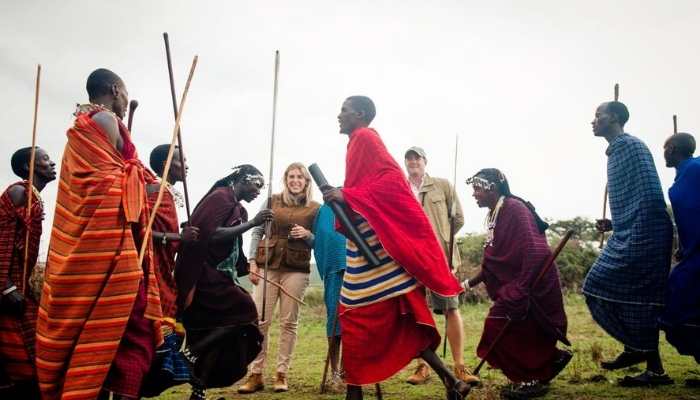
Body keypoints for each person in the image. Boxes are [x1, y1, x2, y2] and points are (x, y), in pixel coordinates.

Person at [322, 95, 476, 400]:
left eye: (344, 110)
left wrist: (347, 195)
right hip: (363, 243)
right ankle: (450, 380)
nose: (339, 115)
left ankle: (355, 394)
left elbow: (390, 181)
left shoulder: (365, 137)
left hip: (376, 249)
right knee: (393, 318)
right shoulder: (354, 141)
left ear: (360, 114)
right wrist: (345, 196)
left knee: (352, 317)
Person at [35, 69, 164, 400]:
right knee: (132, 328)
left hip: (89, 242)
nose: (123, 104)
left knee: (106, 331)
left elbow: (108, 174)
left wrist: (132, 172)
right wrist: (146, 183)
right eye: (123, 94)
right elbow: (108, 185)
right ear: (114, 89)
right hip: (109, 248)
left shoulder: (82, 124)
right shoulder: (104, 120)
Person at [583, 101, 673, 386]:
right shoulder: (615, 152)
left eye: (599, 115)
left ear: (616, 118)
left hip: (645, 234)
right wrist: (615, 223)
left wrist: (633, 230)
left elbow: (650, 196)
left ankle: (641, 352)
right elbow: (634, 197)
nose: (593, 120)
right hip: (629, 231)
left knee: (599, 286)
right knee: (634, 300)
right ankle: (650, 364)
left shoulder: (632, 146)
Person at [462, 168, 571, 399]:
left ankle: (532, 379)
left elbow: (535, 249)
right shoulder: (495, 214)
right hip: (521, 285)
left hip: (534, 283)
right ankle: (550, 363)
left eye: (477, 189)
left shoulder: (514, 208)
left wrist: (521, 287)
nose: (474, 194)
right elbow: (493, 263)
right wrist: (465, 286)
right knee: (524, 332)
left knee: (498, 325)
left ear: (493, 187)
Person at [175, 165, 270, 400]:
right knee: (245, 311)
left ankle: (199, 389)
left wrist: (243, 265)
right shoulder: (220, 198)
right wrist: (252, 223)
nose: (259, 191)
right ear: (243, 179)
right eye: (257, 184)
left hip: (220, 276)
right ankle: (189, 353)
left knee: (222, 338)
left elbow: (228, 244)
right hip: (205, 277)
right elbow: (211, 234)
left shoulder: (233, 204)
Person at [238, 162, 320, 394]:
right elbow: (256, 230)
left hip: (296, 269)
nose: (295, 180)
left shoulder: (315, 208)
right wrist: (252, 261)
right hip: (267, 266)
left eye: (300, 177)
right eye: (291, 176)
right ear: (286, 179)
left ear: (306, 182)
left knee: (289, 322)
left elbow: (320, 241)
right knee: (261, 321)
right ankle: (255, 374)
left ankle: (281, 373)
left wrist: (308, 235)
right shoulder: (272, 201)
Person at [403, 146, 471, 384]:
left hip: (442, 259)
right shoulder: (400, 188)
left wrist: (441, 239)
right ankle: (422, 367)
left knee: (451, 308)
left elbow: (458, 219)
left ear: (425, 161)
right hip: (411, 261)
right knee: (418, 312)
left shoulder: (442, 185)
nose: (413, 161)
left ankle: (460, 366)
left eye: (417, 157)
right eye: (409, 158)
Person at [140, 144, 199, 397]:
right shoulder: (154, 190)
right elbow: (140, 232)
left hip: (165, 270)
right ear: (165, 164)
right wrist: (177, 236)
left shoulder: (165, 191)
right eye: (179, 160)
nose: (185, 165)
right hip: (151, 273)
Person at [0, 147, 56, 399]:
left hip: (20, 287)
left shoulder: (33, 197)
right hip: (6, 289)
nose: (52, 163)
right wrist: (7, 287)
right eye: (45, 159)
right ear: (27, 167)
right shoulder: (18, 192)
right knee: (21, 366)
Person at [659, 132, 700, 386]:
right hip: (692, 254)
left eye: (665, 148)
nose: (663, 153)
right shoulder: (684, 176)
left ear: (672, 148)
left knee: (677, 310)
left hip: (697, 259)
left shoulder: (695, 170)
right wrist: (683, 248)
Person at [313, 204, 346, 393]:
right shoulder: (325, 209)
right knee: (334, 318)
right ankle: (334, 372)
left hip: (358, 269)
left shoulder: (359, 201)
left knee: (354, 320)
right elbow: (320, 238)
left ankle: (346, 370)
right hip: (334, 268)